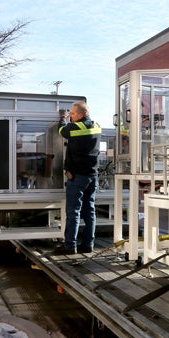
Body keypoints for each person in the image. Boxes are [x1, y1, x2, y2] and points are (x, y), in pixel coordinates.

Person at [57, 101, 101, 254]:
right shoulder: (96, 126)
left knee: (73, 212)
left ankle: (70, 246)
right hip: (92, 176)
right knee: (89, 211)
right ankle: (88, 245)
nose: (71, 116)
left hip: (77, 176)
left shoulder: (75, 127)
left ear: (81, 115)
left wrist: (62, 118)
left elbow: (61, 131)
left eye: (73, 113)